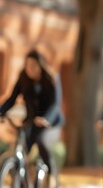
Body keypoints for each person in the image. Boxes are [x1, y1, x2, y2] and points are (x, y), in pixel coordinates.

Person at [0, 49, 64, 187]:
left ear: (40, 65)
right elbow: (11, 99)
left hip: (50, 123)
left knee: (42, 141)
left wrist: (46, 118)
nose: (30, 68)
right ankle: (21, 175)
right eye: (27, 65)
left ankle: (53, 177)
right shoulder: (23, 77)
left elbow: (55, 105)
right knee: (22, 147)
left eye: (33, 65)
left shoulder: (51, 78)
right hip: (31, 121)